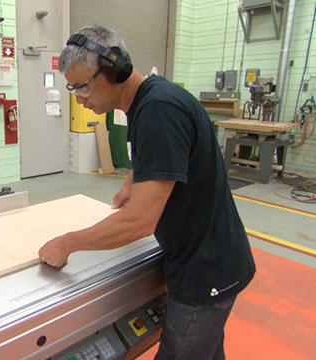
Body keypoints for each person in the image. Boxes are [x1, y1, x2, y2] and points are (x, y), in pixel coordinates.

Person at [38, 25, 256, 360]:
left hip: (205, 272)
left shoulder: (159, 112)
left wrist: (68, 243)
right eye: (73, 89)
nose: (80, 99)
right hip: (211, 257)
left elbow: (140, 221)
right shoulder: (152, 99)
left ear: (115, 69)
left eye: (83, 87)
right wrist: (132, 181)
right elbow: (165, 153)